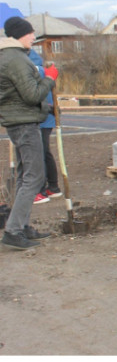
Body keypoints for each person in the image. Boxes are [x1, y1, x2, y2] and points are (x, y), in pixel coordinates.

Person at [0, 17, 57, 250]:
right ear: (19, 35)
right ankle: (13, 231)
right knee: (34, 176)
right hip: (24, 124)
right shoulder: (15, 60)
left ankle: (21, 227)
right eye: (31, 33)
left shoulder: (12, 58)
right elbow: (32, 95)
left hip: (20, 121)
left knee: (26, 176)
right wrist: (50, 79)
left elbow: (20, 97)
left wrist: (46, 109)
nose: (34, 38)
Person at [27, 49, 62, 204]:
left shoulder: (34, 71)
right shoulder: (42, 70)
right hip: (45, 115)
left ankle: (40, 191)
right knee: (44, 152)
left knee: (38, 153)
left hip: (41, 116)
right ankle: (52, 187)